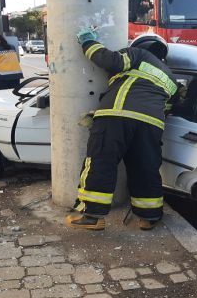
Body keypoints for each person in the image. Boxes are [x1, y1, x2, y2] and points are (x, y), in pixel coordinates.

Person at [64, 29, 177, 231]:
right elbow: (167, 108)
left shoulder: (139, 55)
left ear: (139, 46)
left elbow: (111, 60)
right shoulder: (170, 77)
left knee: (101, 162)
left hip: (116, 115)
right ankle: (149, 217)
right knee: (146, 168)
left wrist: (88, 42)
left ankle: (93, 216)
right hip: (152, 125)